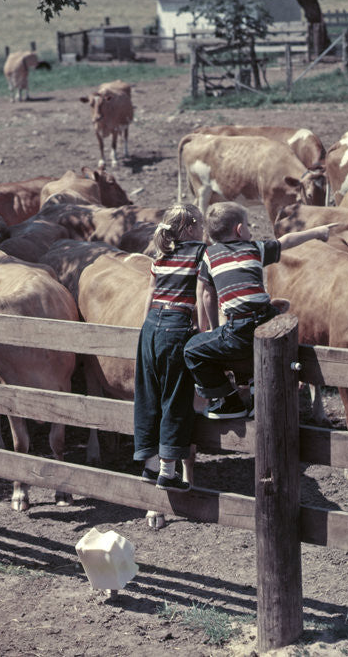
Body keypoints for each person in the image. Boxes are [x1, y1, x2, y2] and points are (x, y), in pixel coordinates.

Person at [184, 201, 334, 420]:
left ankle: (229, 401)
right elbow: (286, 241)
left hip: (239, 327)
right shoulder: (254, 248)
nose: (250, 229)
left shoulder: (210, 255)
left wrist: (212, 329)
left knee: (191, 350)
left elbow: (207, 294)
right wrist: (317, 232)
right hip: (268, 319)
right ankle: (256, 395)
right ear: (239, 229)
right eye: (248, 224)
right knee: (248, 345)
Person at [134, 203, 210, 493]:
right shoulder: (201, 253)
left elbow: (151, 293)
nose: (203, 231)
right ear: (191, 227)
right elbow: (202, 294)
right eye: (200, 225)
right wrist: (204, 333)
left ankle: (149, 465)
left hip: (151, 326)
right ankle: (168, 471)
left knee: (148, 396)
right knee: (175, 397)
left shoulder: (161, 255)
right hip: (177, 326)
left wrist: (146, 329)